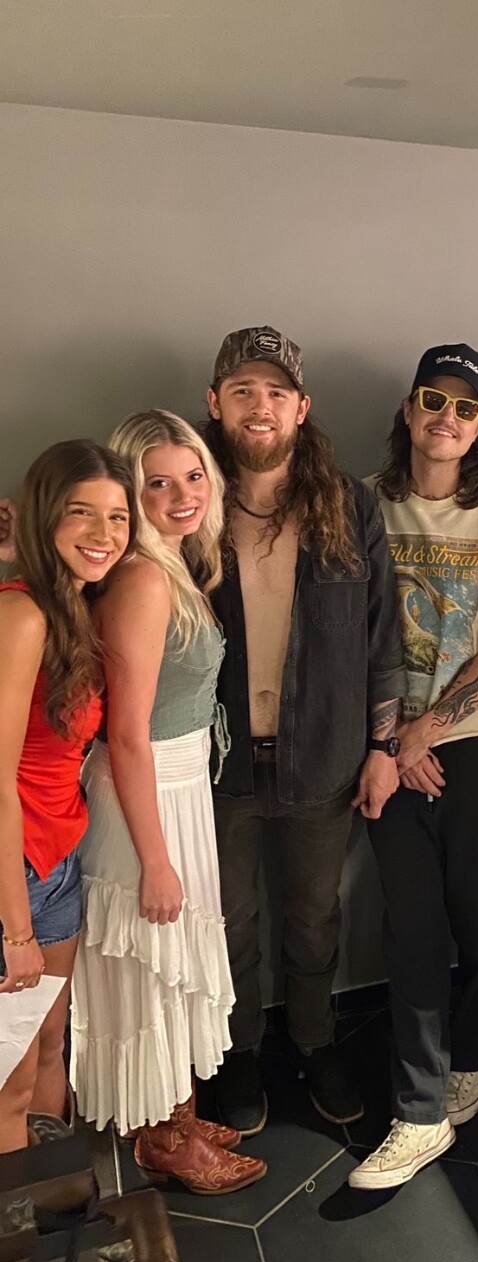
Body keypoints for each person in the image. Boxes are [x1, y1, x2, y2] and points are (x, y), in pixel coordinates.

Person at [347, 344, 478, 1190]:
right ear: (409, 408)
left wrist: (429, 730)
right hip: (385, 753)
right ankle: (419, 1109)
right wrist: (395, 742)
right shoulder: (360, 504)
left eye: (466, 408)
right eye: (433, 399)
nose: (446, 418)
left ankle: (476, 1052)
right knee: (411, 927)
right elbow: (341, 635)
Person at [202, 327, 405, 1135]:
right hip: (216, 765)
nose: (261, 406)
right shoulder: (185, 503)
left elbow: (382, 640)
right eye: (243, 391)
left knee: (315, 918)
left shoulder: (351, 507)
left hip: (323, 760)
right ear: (215, 403)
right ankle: (239, 1051)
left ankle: (317, 1042)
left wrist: (383, 748)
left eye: (276, 392)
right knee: (228, 925)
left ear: (301, 407)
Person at [69, 411, 266, 1195]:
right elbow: (125, 737)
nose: (183, 495)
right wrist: (155, 860)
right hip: (142, 792)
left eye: (193, 476)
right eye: (159, 483)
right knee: (153, 968)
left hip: (178, 785)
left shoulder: (175, 564)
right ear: (130, 490)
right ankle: (162, 1138)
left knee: (171, 962)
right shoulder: (145, 580)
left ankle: (172, 1114)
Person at [0, 439, 135, 1154]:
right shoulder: (23, 616)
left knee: (52, 1045)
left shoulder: (75, 609)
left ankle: (56, 1205)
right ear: (46, 515)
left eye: (117, 517)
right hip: (14, 872)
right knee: (9, 1085)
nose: (103, 533)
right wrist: (15, 931)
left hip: (57, 859)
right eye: (81, 512)